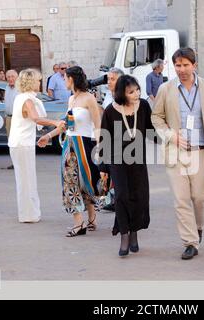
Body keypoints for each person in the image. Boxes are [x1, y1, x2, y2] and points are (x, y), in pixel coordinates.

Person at [151, 48, 204, 260]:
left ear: (194, 65)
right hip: (176, 151)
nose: (181, 69)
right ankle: (190, 241)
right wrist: (171, 135)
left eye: (185, 65)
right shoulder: (166, 88)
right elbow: (157, 118)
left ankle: (198, 228)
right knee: (181, 199)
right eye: (178, 65)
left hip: (201, 151)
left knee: (200, 198)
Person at [38, 66, 102, 236]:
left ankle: (92, 218)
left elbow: (98, 125)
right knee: (70, 183)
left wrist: (100, 148)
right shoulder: (71, 99)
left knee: (87, 181)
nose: (63, 81)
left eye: (65, 78)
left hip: (86, 144)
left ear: (72, 79)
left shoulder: (89, 98)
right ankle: (79, 223)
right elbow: (66, 123)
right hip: (70, 145)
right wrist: (49, 136)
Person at [99, 75, 154, 257]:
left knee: (139, 196)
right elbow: (104, 140)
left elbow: (151, 131)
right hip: (117, 159)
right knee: (121, 196)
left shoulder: (144, 106)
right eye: (131, 92)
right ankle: (124, 235)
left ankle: (134, 233)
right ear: (122, 93)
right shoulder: (110, 111)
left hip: (137, 158)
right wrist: (103, 169)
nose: (136, 94)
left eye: (137, 89)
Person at [8, 69, 65, 223]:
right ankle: (28, 215)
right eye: (38, 80)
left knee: (25, 179)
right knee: (26, 179)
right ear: (31, 82)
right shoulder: (27, 100)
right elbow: (36, 119)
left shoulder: (22, 97)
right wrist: (55, 122)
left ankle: (29, 213)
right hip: (22, 144)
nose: (40, 83)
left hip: (19, 143)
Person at [101, 67, 125, 213]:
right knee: (111, 171)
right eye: (108, 79)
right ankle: (115, 199)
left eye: (113, 79)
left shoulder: (123, 96)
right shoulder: (109, 95)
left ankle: (121, 200)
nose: (109, 82)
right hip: (108, 137)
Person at [4, 70, 19, 169]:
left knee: (18, 141)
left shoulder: (20, 88)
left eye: (12, 76)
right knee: (11, 142)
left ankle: (19, 163)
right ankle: (14, 163)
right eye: (8, 77)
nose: (10, 79)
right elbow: (6, 103)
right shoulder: (6, 87)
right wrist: (5, 116)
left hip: (18, 118)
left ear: (17, 77)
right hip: (9, 118)